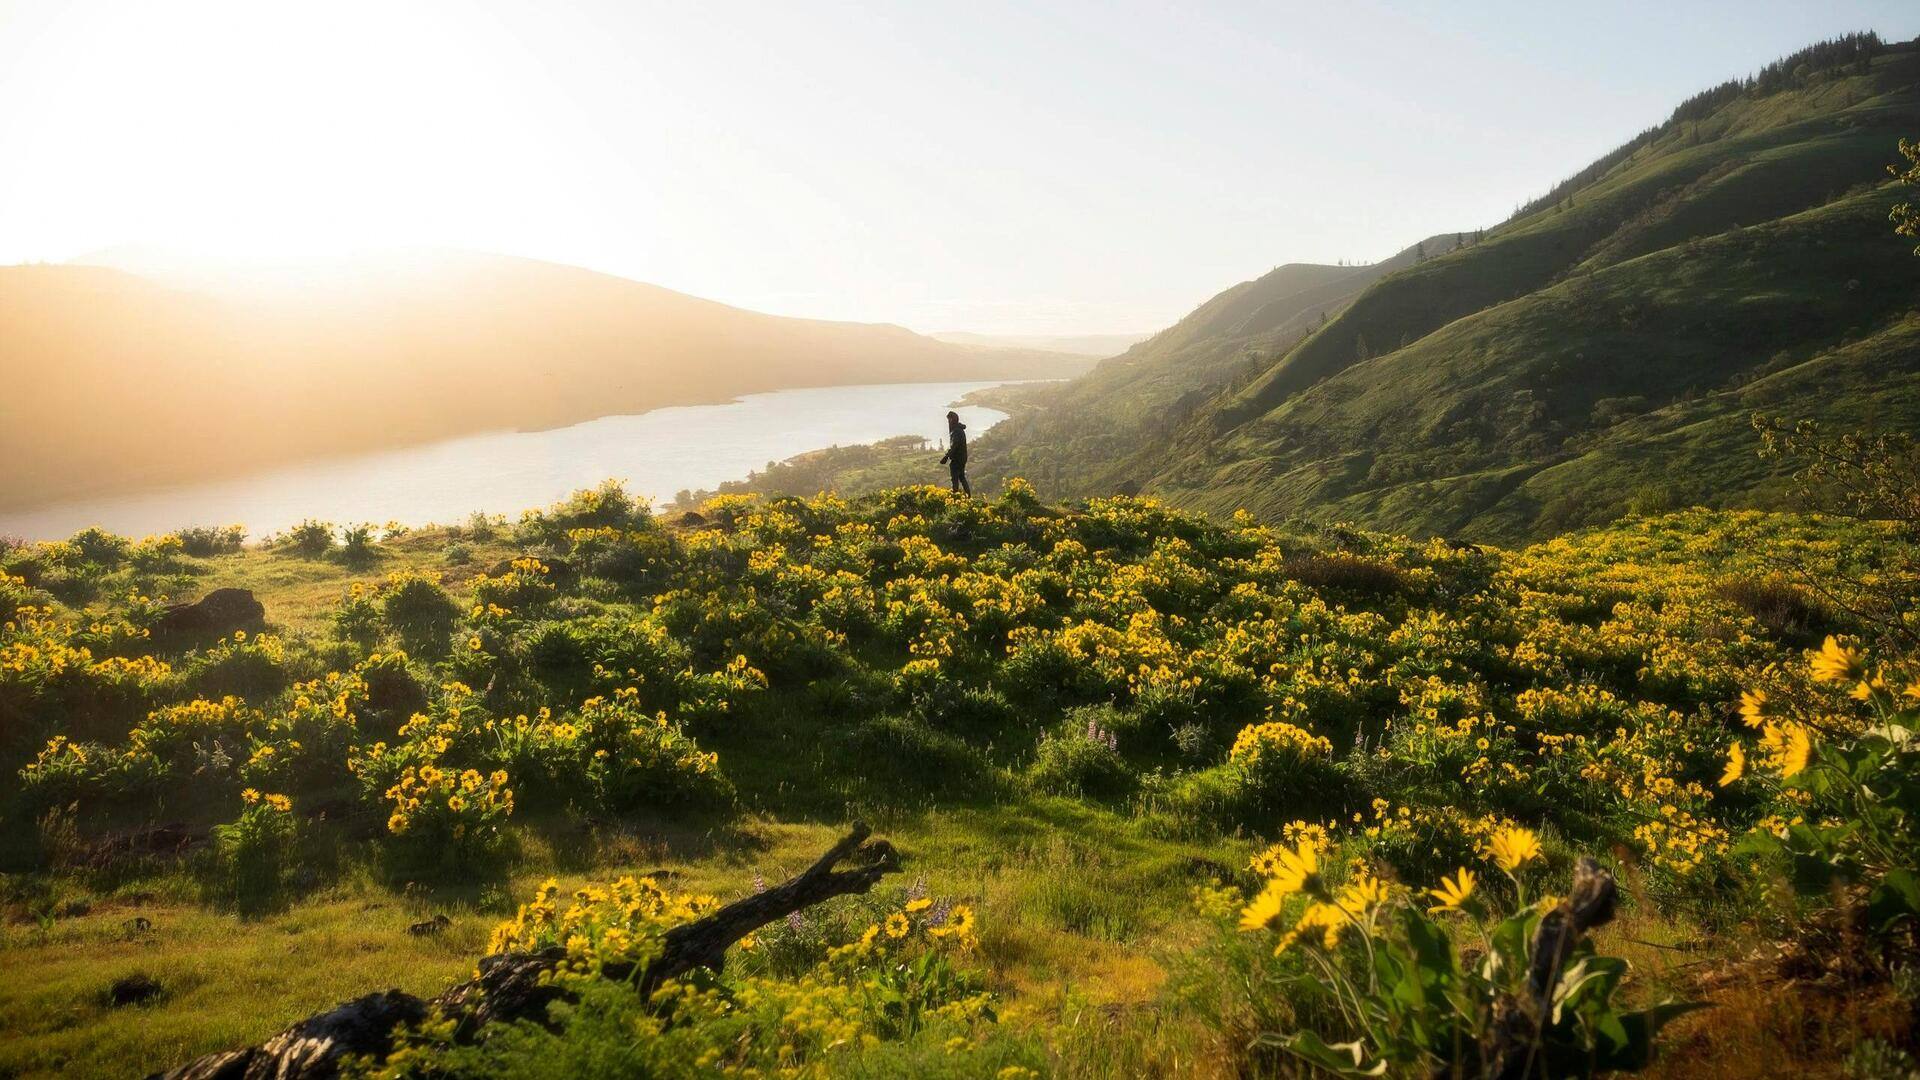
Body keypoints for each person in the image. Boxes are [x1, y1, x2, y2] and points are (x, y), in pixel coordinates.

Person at [938, 410, 970, 495]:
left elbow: (954, 446)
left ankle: (955, 496)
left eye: (949, 420)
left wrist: (946, 457)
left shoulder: (956, 431)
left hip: (957, 459)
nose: (948, 422)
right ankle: (968, 496)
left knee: (955, 478)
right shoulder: (959, 429)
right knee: (962, 477)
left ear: (952, 420)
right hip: (962, 458)